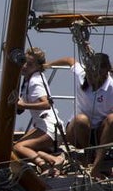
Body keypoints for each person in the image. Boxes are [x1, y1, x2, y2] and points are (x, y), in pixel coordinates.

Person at [47, 50, 113, 178]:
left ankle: (96, 166)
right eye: (89, 72)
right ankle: (88, 157)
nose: (91, 76)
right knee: (81, 120)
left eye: (96, 73)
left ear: (105, 72)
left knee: (112, 120)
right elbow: (69, 60)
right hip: (78, 132)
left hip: (100, 134)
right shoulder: (81, 75)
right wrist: (47, 65)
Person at [11, 47, 65, 173]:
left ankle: (44, 166)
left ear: (38, 66)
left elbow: (46, 104)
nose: (24, 66)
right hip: (43, 125)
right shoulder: (28, 80)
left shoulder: (35, 81)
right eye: (24, 62)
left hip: (49, 127)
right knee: (18, 147)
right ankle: (53, 159)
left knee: (19, 147)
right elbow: (21, 108)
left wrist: (23, 105)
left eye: (29, 64)